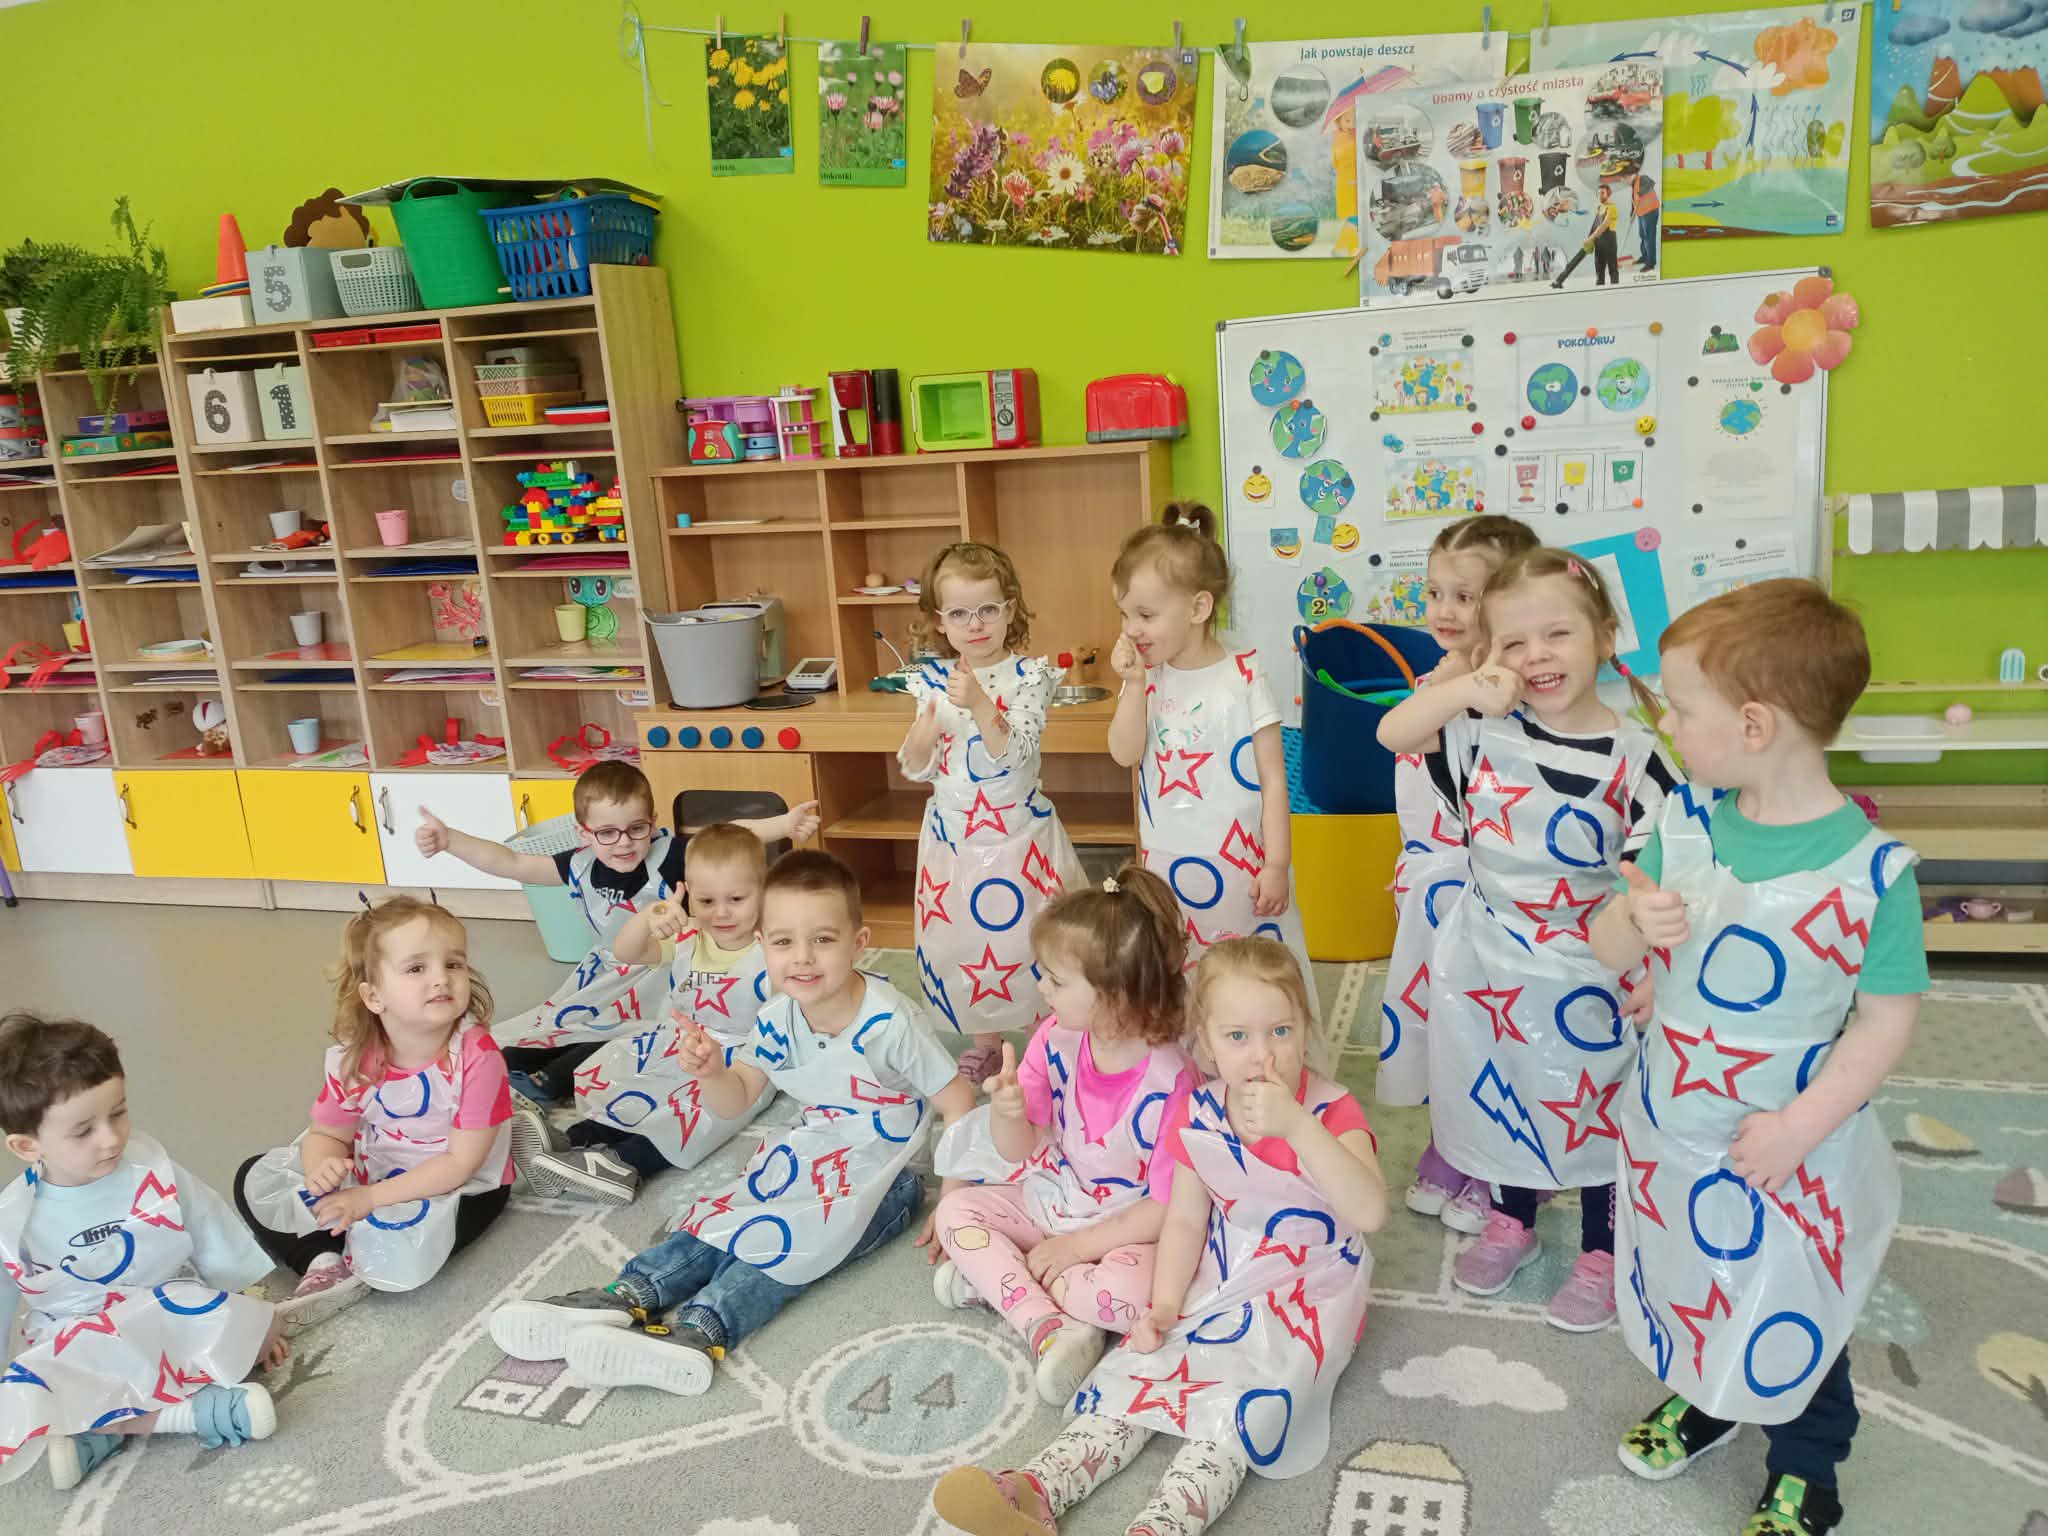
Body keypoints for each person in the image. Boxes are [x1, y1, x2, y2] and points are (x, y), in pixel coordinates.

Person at [1590, 580, 1925, 1536]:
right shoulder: (1684, 822)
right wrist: (1632, 920)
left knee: (1793, 1296)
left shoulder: (1874, 874)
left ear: (1752, 724)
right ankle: (1710, 1396)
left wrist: (1798, 1129)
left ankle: (1808, 1470)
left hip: (1787, 1143)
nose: (1666, 725)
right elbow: (1606, 947)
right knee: (1691, 1269)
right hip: (1674, 1123)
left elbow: (1884, 1025)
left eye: (1679, 708)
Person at [930, 937, 1387, 1536]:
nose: (1262, 1055)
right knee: (1138, 1371)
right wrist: (1165, 1306)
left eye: (1280, 1031)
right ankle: (1034, 1489)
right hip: (1223, 1267)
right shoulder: (1203, 1109)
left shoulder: (1331, 1110)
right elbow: (1187, 1219)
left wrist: (1299, 1127)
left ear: (1306, 1031)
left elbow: (1369, 1211)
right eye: (1238, 1036)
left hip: (1307, 1289)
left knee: (1230, 1412)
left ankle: (1161, 1526)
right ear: (1207, 1043)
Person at [486, 852, 978, 1395]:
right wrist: (712, 1072)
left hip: (891, 1174)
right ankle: (627, 1294)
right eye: (784, 942)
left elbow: (958, 1102)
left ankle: (700, 1330)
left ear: (858, 943)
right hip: (812, 1147)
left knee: (798, 1236)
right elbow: (735, 1098)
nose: (803, 958)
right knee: (733, 1214)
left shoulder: (892, 1022)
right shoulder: (776, 1018)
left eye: (823, 939)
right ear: (762, 945)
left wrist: (953, 1201)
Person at [1378, 547, 1680, 1330]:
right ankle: (1512, 1218)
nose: (1537, 656)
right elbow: (1391, 731)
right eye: (1514, 643)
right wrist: (1463, 686)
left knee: (1597, 1107)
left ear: (1605, 635)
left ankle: (1603, 1249)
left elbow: (1659, 879)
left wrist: (1656, 971)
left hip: (1593, 970)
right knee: (1502, 1091)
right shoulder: (1479, 734)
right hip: (1488, 963)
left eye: (1558, 634)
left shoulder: (1640, 759)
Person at [928, 863, 1201, 1406]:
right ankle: (1048, 1324)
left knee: (1130, 1297)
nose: (1041, 988)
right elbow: (1019, 1150)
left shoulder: (1175, 1082)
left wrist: (1077, 1247)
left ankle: (1007, 1286)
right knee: (955, 1213)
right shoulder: (1054, 1039)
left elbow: (1168, 1208)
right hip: (1054, 1195)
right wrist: (1007, 1112)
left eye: (1055, 980)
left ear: (1114, 995)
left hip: (1128, 1227)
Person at [413, 760, 815, 1105]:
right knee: (565, 1023)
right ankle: (513, 1061)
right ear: (584, 833)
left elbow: (726, 834)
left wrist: (784, 824)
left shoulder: (670, 855)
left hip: (662, 971)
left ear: (652, 823)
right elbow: (512, 862)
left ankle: (554, 1080)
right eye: (607, 833)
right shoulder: (578, 864)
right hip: (606, 969)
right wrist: (450, 840)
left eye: (636, 829)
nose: (623, 843)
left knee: (628, 1034)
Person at [0, 1013, 286, 1491]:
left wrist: (246, 1312)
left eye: (118, 1113)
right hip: (81, 1335)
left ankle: (99, 1430)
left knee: (266, 1325)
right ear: (28, 1146)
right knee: (37, 1386)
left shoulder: (152, 1171)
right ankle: (193, 1413)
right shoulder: (14, 1220)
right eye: (83, 1131)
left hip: (166, 1308)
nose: (111, 1138)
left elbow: (208, 1227)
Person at [234, 897, 514, 1316]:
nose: (442, 978)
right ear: (374, 996)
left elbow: (459, 1165)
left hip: (455, 1187)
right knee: (254, 1177)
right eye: (416, 968)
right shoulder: (355, 1057)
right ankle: (321, 1261)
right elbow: (327, 1134)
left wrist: (368, 1199)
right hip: (376, 1172)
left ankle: (355, 1246)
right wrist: (322, 1169)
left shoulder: (478, 1056)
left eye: (454, 964)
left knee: (408, 1247)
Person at [1381, 514, 1538, 1238]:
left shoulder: (1520, 694)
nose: (1443, 610)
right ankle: (1454, 1139)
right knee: (1442, 1025)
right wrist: (1455, 682)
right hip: (1431, 892)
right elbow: (1401, 744)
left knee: (1494, 1027)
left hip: (1497, 898)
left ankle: (1502, 1162)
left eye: (1464, 596)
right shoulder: (1439, 682)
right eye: (1433, 592)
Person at [1108, 504, 1319, 1023]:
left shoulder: (1244, 674)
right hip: (1167, 870)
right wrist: (1132, 686)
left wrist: (1276, 864)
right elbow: (1124, 753)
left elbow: (1273, 780)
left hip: (1241, 870)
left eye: (1145, 615)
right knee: (1179, 975)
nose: (1131, 629)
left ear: (1199, 607)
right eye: (1124, 614)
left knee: (1246, 976)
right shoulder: (1148, 678)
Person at [899, 542, 1085, 1082]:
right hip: (954, 843)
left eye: (987, 609)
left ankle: (1044, 1042)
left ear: (1010, 609)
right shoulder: (930, 681)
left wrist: (979, 702)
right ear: (940, 621)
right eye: (959, 613)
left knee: (1029, 939)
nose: (974, 624)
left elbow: (1016, 752)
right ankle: (985, 1042)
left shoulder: (1029, 676)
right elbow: (916, 767)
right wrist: (923, 734)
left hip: (1021, 840)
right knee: (965, 942)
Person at [518, 823, 779, 1204]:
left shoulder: (774, 946)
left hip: (740, 1060)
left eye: (737, 899)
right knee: (640, 1088)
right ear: (687, 894)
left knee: (691, 1113)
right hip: (679, 1043)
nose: (721, 913)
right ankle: (574, 1141)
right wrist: (647, 917)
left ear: (764, 891)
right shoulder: (688, 935)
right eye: (706, 901)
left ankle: (625, 1165)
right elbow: (626, 952)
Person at [1553, 180, 1621, 288]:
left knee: (1612, 269)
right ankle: (1559, 281)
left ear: (1608, 194)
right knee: (1599, 270)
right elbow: (1595, 225)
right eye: (1598, 193)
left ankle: (1616, 292)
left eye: (1602, 193)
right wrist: (1589, 239)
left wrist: (1591, 238)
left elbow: (1603, 226)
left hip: (1609, 241)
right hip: (1598, 241)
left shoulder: (1612, 208)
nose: (1600, 195)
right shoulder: (1600, 208)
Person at [1632, 171, 1660, 271]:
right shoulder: (1633, 184)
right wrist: (1632, 214)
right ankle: (1645, 256)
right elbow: (1634, 201)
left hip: (1650, 212)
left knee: (1649, 237)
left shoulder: (1643, 178)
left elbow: (1651, 183)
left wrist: (1640, 193)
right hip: (1641, 212)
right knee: (1643, 235)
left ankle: (1651, 263)